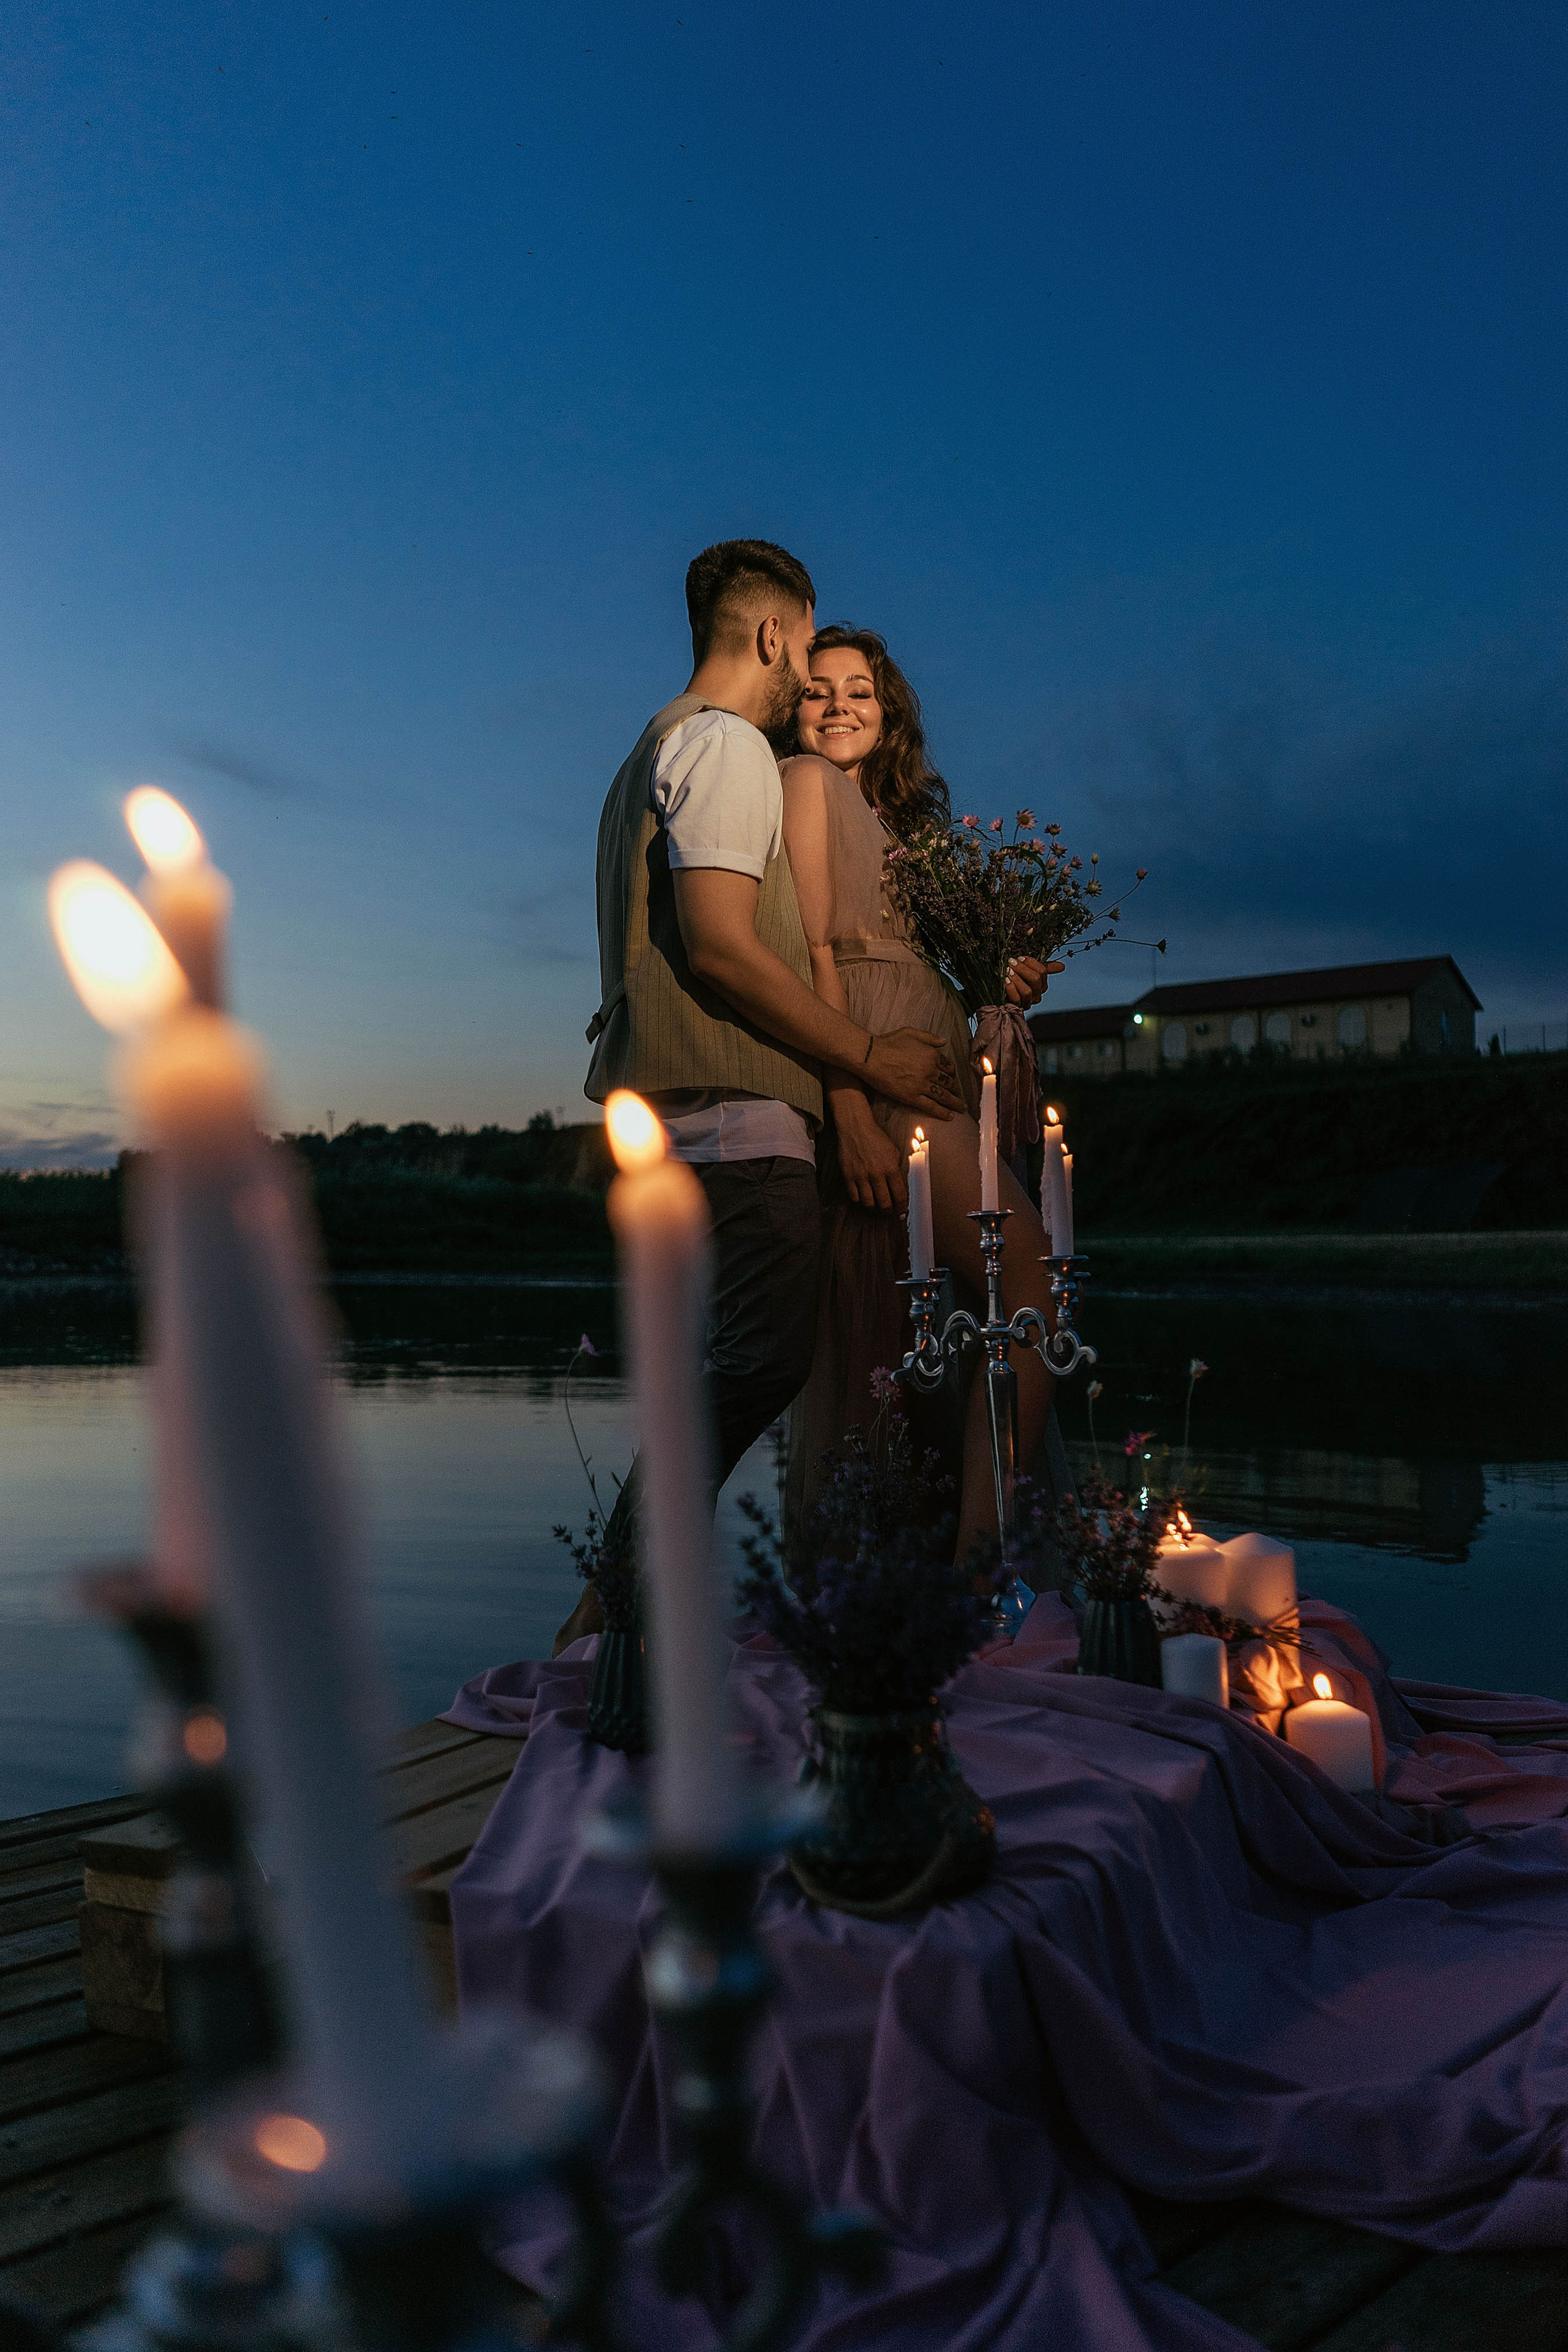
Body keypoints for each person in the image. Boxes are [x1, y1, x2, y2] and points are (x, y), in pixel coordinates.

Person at [553, 549, 960, 1653]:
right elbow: (727, 953)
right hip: (736, 1108)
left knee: (738, 1366)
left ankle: (617, 1616)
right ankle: (612, 1620)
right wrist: (873, 1064)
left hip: (688, 1114)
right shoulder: (728, 745)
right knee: (759, 1364)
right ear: (777, 635)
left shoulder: (651, 747)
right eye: (805, 651)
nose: (806, 694)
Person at [782, 625, 1061, 1562]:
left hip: (930, 1061)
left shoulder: (908, 831)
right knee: (1024, 1281)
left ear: (888, 709)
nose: (839, 707)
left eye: (860, 691)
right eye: (818, 690)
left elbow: (931, 966)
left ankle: (946, 1551)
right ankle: (982, 1563)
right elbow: (811, 953)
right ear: (792, 704)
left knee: (942, 1316)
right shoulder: (805, 784)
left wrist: (999, 978)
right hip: (880, 1077)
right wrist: (850, 1112)